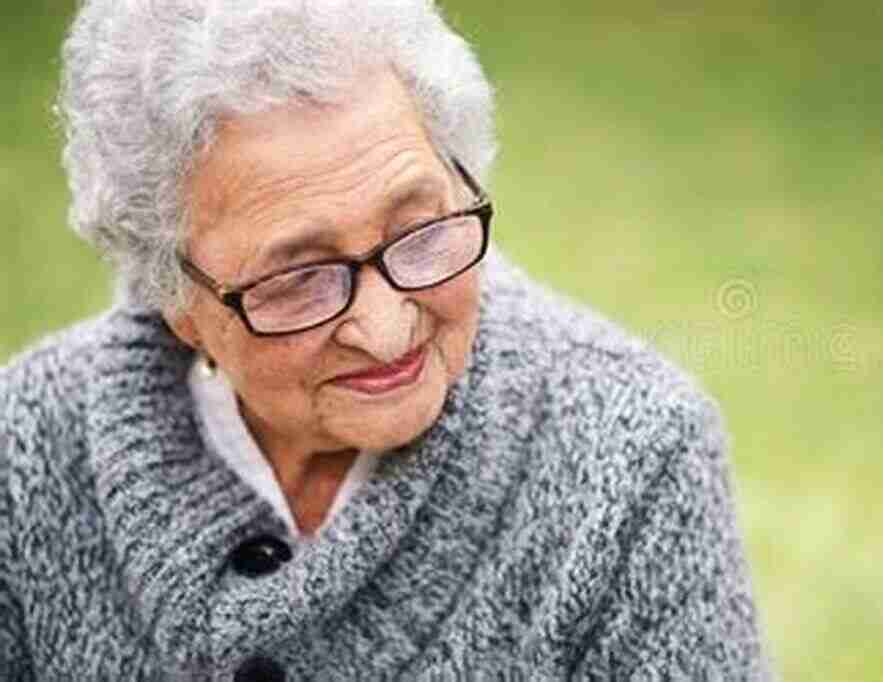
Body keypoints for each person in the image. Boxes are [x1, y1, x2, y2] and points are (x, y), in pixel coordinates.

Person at [0, 1, 770, 679]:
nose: (386, 325)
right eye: (299, 276)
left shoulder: (630, 456)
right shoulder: (24, 450)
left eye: (418, 230)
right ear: (177, 299)